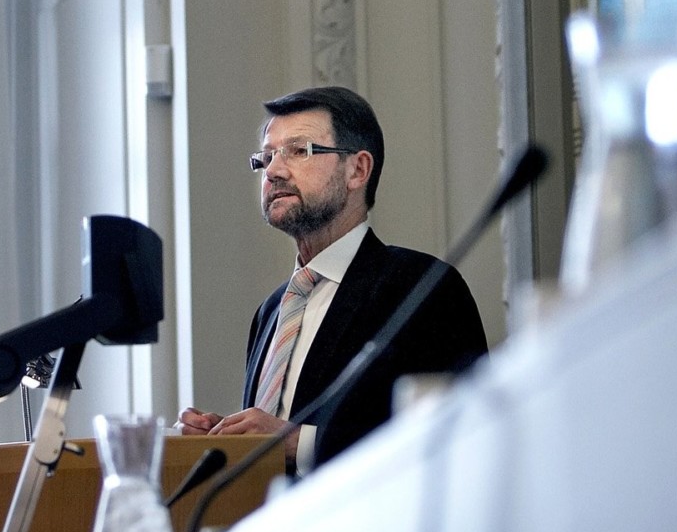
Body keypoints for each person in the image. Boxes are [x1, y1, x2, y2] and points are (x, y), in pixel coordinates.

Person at [177, 86, 487, 466]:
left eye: (298, 150)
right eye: (267, 156)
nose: (273, 170)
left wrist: (296, 444)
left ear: (357, 170)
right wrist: (230, 438)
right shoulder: (271, 311)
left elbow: (459, 435)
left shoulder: (421, 287)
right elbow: (275, 438)